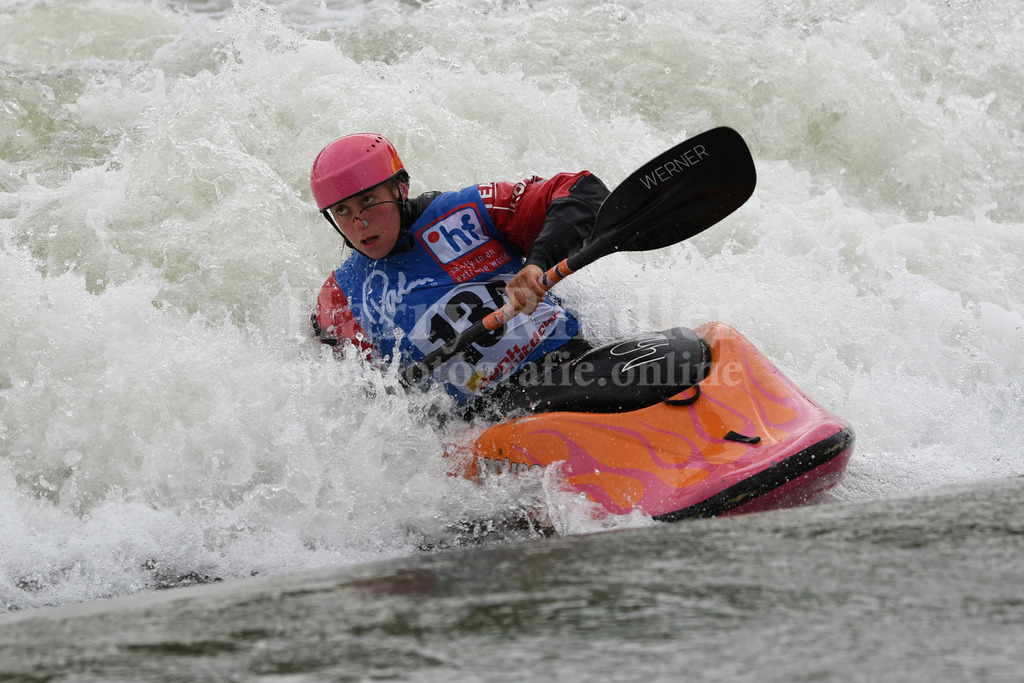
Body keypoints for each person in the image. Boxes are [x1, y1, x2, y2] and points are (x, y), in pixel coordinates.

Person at [310, 133, 610, 415]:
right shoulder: (342, 296)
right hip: (492, 418)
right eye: (342, 211)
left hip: (575, 361)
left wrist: (538, 262)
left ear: (400, 188)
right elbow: (339, 393)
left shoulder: (470, 211)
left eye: (368, 201)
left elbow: (582, 191)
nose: (359, 223)